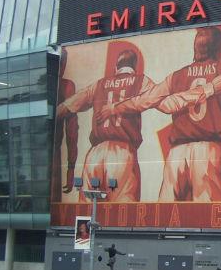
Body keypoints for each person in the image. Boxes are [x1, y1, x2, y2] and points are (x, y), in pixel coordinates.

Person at [98, 27, 221, 202]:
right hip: (209, 150)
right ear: (218, 48)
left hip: (177, 153)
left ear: (195, 48)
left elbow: (146, 99)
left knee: (166, 212)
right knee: (209, 214)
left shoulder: (177, 76)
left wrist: (115, 107)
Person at [56, 49, 152, 202]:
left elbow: (66, 107)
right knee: (123, 213)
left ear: (116, 67)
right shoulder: (141, 81)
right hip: (122, 152)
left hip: (95, 153)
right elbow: (159, 96)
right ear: (135, 66)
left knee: (87, 211)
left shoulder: (99, 84)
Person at [52, 48, 79, 201]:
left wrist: (70, 168)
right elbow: (72, 131)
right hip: (54, 156)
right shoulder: (66, 86)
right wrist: (71, 168)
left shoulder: (64, 86)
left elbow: (72, 131)